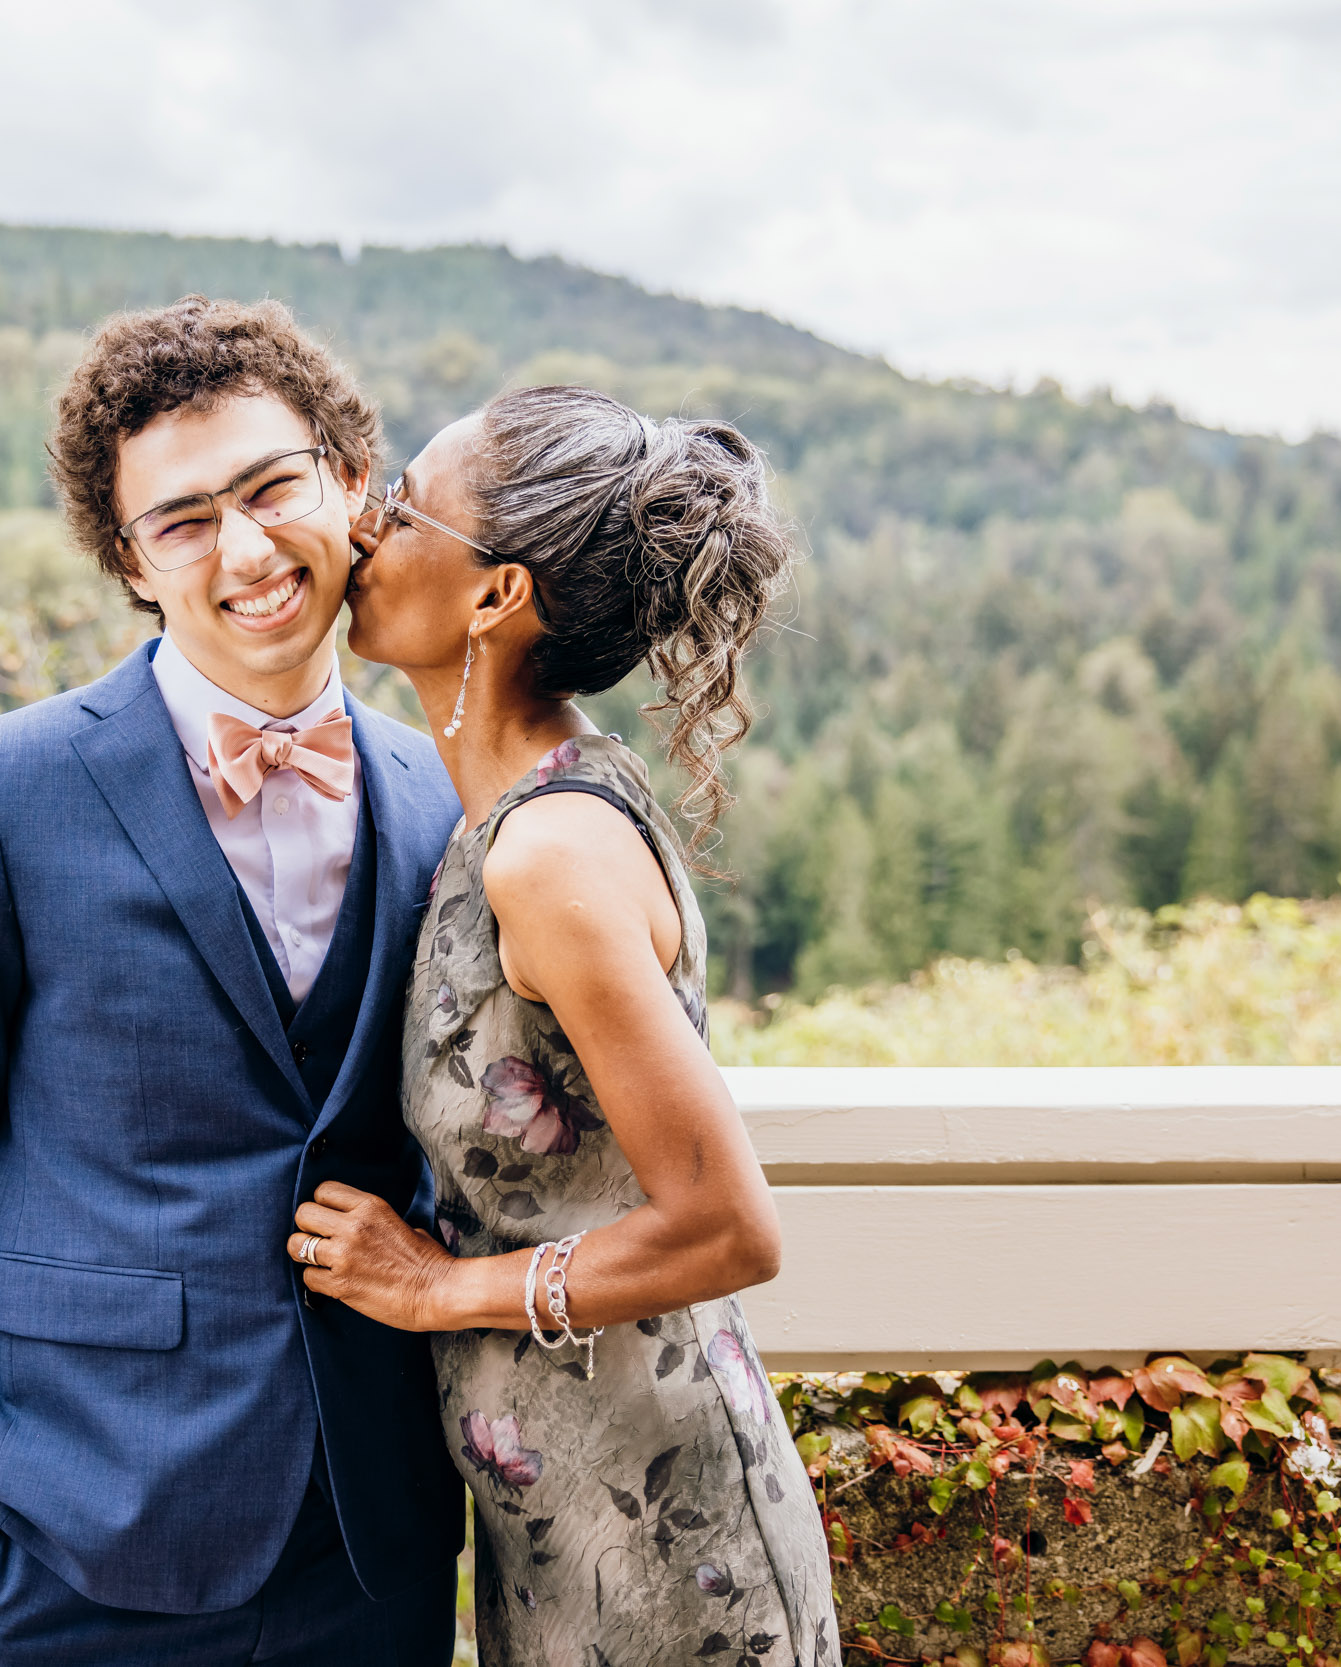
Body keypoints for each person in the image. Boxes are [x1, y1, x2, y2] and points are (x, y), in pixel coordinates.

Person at [0, 296, 464, 1665]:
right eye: (184, 520)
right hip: (78, 1539)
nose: (244, 549)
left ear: (352, 485)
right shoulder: (0, 791)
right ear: (132, 561)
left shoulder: (443, 791)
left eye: (272, 488)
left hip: (374, 1542)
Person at [293, 384, 842, 1667]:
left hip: (665, 1548)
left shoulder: (548, 853)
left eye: (403, 507)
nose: (365, 530)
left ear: (496, 596)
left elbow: (728, 1222)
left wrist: (438, 1290)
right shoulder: (510, 807)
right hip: (559, 1520)